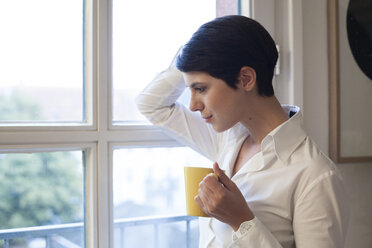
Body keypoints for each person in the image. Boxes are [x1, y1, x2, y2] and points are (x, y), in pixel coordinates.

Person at [136, 15, 349, 248]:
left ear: (246, 79)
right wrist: (191, 54)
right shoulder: (225, 139)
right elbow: (151, 105)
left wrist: (242, 222)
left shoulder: (315, 176)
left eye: (201, 89)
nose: (193, 105)